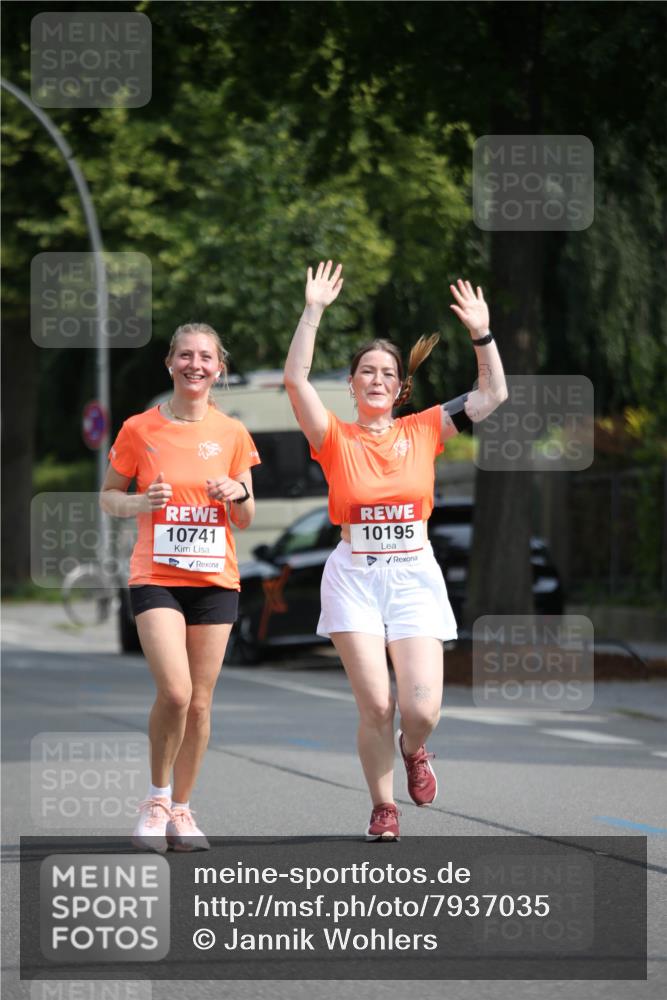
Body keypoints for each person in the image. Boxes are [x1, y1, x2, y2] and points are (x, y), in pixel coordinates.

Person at [284, 261, 508, 840]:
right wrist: (313, 311)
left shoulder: (425, 428)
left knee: (422, 709)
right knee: (377, 705)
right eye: (367, 371)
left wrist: (481, 333)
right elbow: (296, 381)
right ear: (352, 384)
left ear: (399, 387)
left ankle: (415, 747)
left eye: (387, 372)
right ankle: (383, 807)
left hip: (413, 575)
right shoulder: (333, 437)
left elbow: (493, 394)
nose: (377, 379)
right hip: (354, 577)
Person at [100, 322, 260, 852]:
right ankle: (156, 800)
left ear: (219, 369)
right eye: (186, 355)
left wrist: (237, 493)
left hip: (215, 580)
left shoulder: (233, 433)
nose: (195, 364)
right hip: (157, 576)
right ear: (170, 362)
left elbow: (245, 518)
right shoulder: (139, 428)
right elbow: (108, 496)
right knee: (175, 691)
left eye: (206, 357)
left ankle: (183, 811)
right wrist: (140, 501)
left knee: (200, 704)